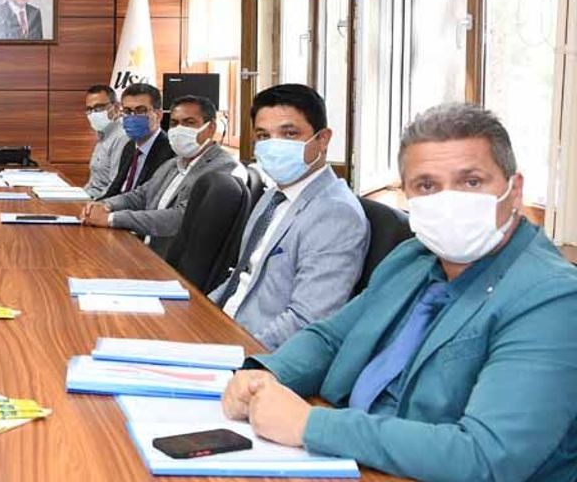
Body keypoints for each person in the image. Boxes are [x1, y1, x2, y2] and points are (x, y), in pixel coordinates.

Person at [221, 103, 577, 482]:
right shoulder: (413, 257)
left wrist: (311, 425)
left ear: (514, 190)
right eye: (427, 186)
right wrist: (266, 375)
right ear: (407, 194)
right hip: (354, 458)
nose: (448, 201)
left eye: (471, 182)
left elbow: (487, 456)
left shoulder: (553, 299)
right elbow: (330, 338)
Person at [209, 83, 367, 349]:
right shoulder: (274, 195)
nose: (274, 145)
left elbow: (306, 320)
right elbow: (242, 276)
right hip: (222, 325)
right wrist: (197, 312)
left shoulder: (336, 213)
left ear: (323, 139)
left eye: (289, 133)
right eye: (263, 135)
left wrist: (233, 355)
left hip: (256, 349)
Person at [81, 95, 241, 255]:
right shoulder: (174, 163)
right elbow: (141, 195)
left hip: (171, 259)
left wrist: (112, 218)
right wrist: (105, 205)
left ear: (211, 127)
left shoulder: (222, 167)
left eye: (189, 122)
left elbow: (179, 218)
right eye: (174, 123)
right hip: (145, 248)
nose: (179, 129)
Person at [100, 83, 174, 199]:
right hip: (116, 206)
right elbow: (114, 190)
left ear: (158, 115)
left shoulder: (170, 152)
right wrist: (96, 205)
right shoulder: (129, 146)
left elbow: (149, 200)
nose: (132, 116)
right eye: (127, 111)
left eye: (140, 110)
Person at [82, 84, 127, 198]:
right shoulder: (103, 135)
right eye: (89, 109)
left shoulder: (122, 137)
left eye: (99, 108)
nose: (93, 113)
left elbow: (114, 188)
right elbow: (93, 183)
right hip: (89, 197)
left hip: (102, 203)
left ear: (116, 107)